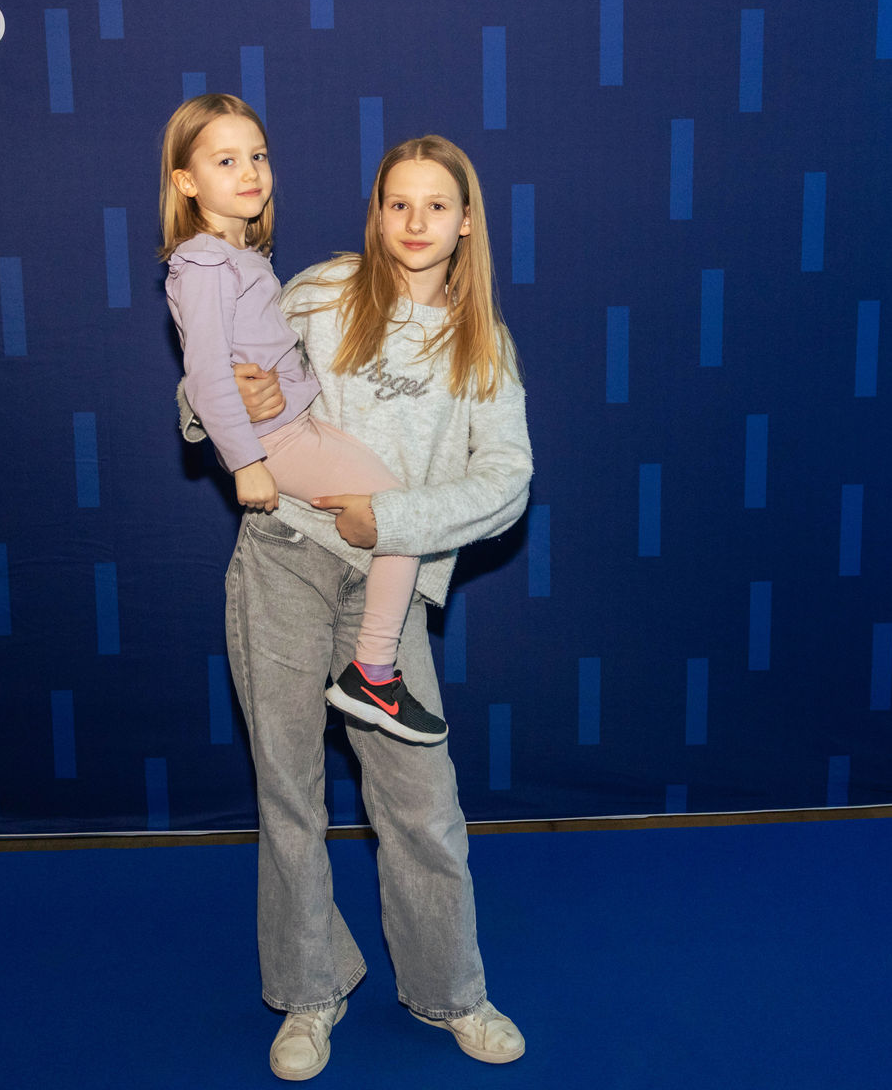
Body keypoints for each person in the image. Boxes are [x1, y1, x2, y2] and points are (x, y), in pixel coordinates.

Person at [181, 134, 531, 1079]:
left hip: (389, 586)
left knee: (422, 802)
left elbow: (508, 480)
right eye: (397, 203)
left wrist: (393, 518)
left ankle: (450, 991)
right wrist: (231, 399)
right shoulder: (317, 293)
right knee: (289, 791)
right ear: (375, 214)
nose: (415, 222)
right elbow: (203, 381)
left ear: (466, 222)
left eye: (436, 205)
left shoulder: (483, 343)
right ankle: (310, 992)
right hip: (283, 558)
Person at [160, 93, 446, 743]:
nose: (249, 172)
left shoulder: (240, 256)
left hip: (297, 427)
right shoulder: (203, 264)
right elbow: (205, 376)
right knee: (402, 519)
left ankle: (372, 669)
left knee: (399, 512)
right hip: (276, 440)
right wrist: (247, 462)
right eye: (226, 161)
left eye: (257, 156)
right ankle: (373, 674)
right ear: (186, 182)